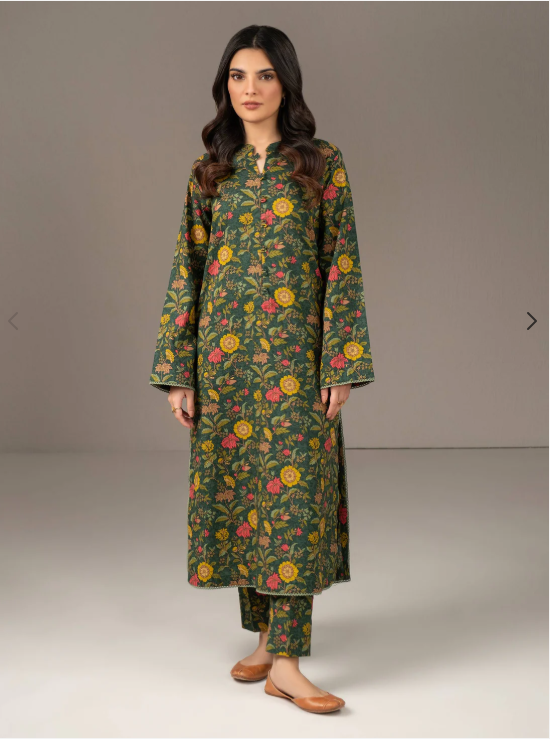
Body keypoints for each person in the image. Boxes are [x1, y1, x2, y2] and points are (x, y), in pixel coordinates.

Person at [149, 24, 375, 714]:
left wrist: (341, 361)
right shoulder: (210, 170)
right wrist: (179, 371)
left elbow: (341, 263)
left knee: (294, 502)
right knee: (245, 494)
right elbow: (187, 270)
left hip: (296, 363)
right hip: (224, 364)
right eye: (239, 76)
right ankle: (267, 642)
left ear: (287, 83)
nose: (251, 89)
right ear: (226, 86)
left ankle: (289, 663)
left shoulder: (321, 164)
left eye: (265, 75)